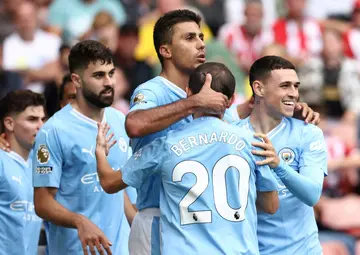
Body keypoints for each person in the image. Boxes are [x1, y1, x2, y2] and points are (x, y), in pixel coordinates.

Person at [124, 9, 320, 255]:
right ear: (166, 50)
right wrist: (193, 102)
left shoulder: (205, 98)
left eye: (201, 37)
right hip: (158, 217)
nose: (200, 44)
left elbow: (234, 113)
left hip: (198, 226)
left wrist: (288, 107)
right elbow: (133, 124)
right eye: (189, 38)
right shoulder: (152, 91)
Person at [95, 62, 279, 254]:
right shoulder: (254, 143)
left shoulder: (167, 144)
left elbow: (109, 182)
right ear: (232, 100)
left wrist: (100, 152)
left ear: (188, 92)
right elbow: (271, 205)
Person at [32, 40, 134, 255]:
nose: (109, 82)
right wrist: (79, 221)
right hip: (76, 250)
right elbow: (42, 203)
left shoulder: (119, 120)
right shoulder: (54, 131)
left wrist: (138, 227)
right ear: (76, 80)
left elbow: (117, 189)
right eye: (98, 75)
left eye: (111, 73)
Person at [235, 56, 327, 255]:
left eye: (296, 86)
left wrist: (278, 165)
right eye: (285, 86)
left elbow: (312, 194)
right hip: (255, 250)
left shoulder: (308, 133)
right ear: (259, 89)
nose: (294, 94)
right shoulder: (234, 136)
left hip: (303, 251)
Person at [0, 90, 45, 255]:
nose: (40, 126)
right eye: (32, 119)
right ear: (9, 124)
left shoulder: (43, 162)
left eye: (42, 119)